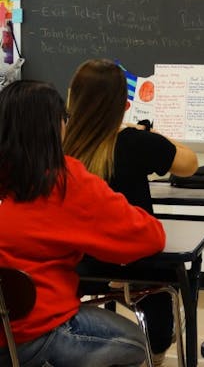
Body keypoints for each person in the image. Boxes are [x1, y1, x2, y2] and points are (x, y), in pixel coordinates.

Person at [0, 80, 166, 367]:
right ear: (55, 128)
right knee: (137, 343)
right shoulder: (63, 181)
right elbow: (150, 237)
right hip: (35, 337)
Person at [63, 58, 199, 366]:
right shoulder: (135, 142)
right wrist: (150, 135)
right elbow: (189, 164)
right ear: (123, 105)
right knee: (172, 277)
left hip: (78, 266)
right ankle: (157, 350)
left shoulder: (61, 147)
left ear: (73, 99)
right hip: (137, 263)